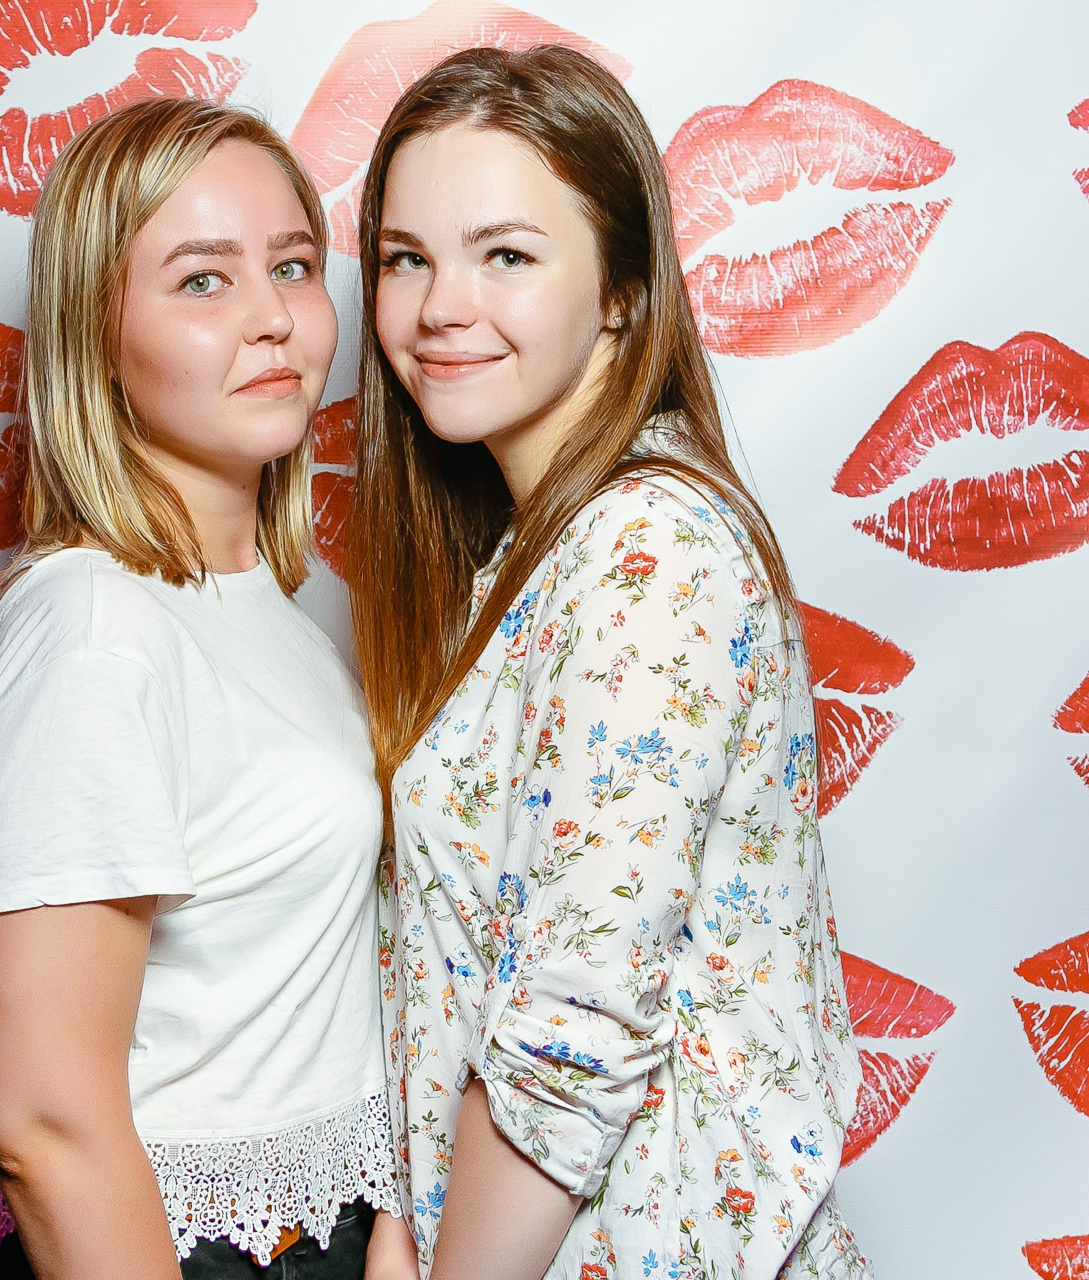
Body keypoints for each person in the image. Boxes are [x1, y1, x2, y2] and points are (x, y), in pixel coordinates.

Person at [347, 48, 872, 1280]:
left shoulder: (649, 547)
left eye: (505, 255)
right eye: (406, 257)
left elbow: (569, 1038)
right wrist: (401, 1224)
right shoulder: (542, 548)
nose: (440, 306)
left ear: (625, 291)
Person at [0, 98, 401, 1280]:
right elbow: (45, 1116)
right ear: (96, 334)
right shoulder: (97, 624)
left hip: (312, 1231)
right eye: (203, 280)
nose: (273, 316)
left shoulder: (272, 616)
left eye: (291, 266)